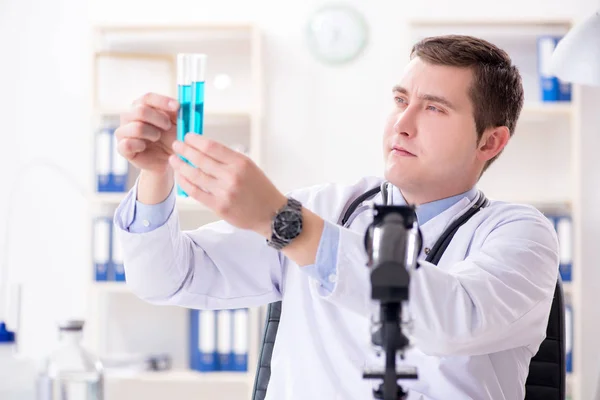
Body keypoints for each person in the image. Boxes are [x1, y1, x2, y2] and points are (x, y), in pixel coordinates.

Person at [113, 34, 559, 400]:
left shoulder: (521, 234)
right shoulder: (330, 209)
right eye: (401, 100)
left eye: (435, 108)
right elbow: (165, 279)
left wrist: (283, 223)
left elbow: (455, 320)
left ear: (490, 143)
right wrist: (156, 174)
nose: (402, 123)